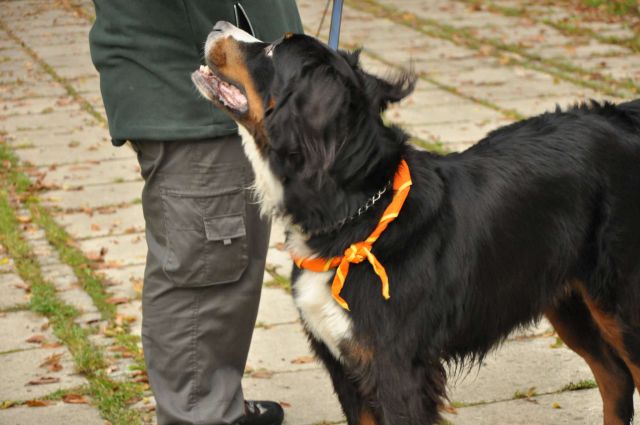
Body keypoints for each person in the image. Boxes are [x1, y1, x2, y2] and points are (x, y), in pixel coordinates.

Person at [88, 2, 303, 424]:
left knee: (230, 270)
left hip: (225, 83)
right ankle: (199, 416)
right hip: (188, 90)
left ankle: (218, 404)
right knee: (205, 273)